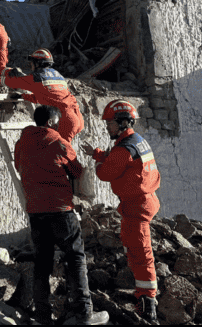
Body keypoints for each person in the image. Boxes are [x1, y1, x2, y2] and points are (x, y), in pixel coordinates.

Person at [14, 105, 109, 326]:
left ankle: (43, 318)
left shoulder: (22, 142)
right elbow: (77, 172)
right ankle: (84, 313)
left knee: (42, 263)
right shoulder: (59, 143)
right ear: (49, 123)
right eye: (57, 122)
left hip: (36, 213)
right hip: (61, 212)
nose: (59, 126)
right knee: (75, 258)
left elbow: (20, 166)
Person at [80, 99, 161, 324]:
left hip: (137, 206)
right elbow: (118, 160)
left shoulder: (125, 148)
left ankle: (148, 304)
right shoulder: (135, 141)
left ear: (124, 123)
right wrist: (97, 153)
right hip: (140, 202)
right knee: (132, 245)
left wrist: (96, 165)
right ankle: (142, 294)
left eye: (111, 123)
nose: (107, 127)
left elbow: (107, 172)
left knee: (141, 252)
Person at [0, 48, 84, 143]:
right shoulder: (58, 75)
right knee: (58, 151)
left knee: (60, 154)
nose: (31, 66)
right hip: (77, 117)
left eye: (32, 63)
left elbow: (10, 82)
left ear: (37, 63)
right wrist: (23, 96)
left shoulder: (36, 78)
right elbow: (46, 97)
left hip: (66, 120)